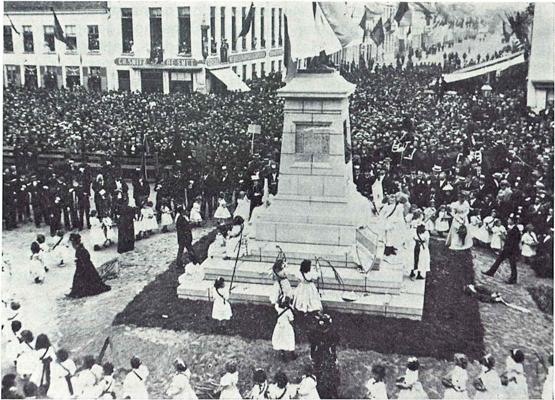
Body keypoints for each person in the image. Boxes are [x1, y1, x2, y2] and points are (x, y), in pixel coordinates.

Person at [67, 233, 111, 298]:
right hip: (85, 266)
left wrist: (80, 262)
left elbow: (85, 259)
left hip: (84, 267)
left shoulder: (80, 250)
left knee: (83, 279)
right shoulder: (80, 248)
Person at [482, 216, 522, 284]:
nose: (508, 220)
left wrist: (507, 245)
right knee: (500, 260)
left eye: (509, 219)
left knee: (512, 264)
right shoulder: (511, 228)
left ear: (512, 221)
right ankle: (491, 272)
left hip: (511, 250)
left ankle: (513, 279)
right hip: (508, 249)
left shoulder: (515, 230)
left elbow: (514, 241)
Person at [272, 296, 296, 361]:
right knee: (290, 339)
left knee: (281, 340)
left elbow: (276, 305)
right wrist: (293, 327)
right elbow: (291, 320)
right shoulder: (288, 311)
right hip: (287, 327)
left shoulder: (279, 309)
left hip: (279, 326)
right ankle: (292, 354)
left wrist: (280, 297)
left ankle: (283, 355)